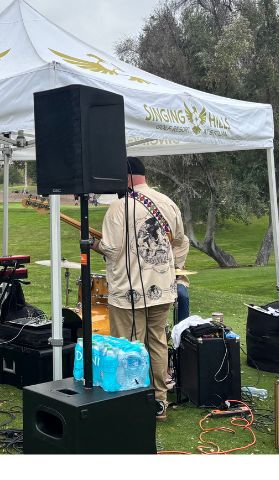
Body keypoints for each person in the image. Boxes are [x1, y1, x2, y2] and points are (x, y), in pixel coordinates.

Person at [98, 157, 189, 419]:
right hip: (162, 290)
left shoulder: (118, 207)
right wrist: (172, 269)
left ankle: (129, 399)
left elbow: (112, 250)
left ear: (125, 176)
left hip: (129, 293)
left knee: (125, 345)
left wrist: (96, 246)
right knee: (157, 343)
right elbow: (181, 242)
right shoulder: (168, 203)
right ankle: (160, 401)